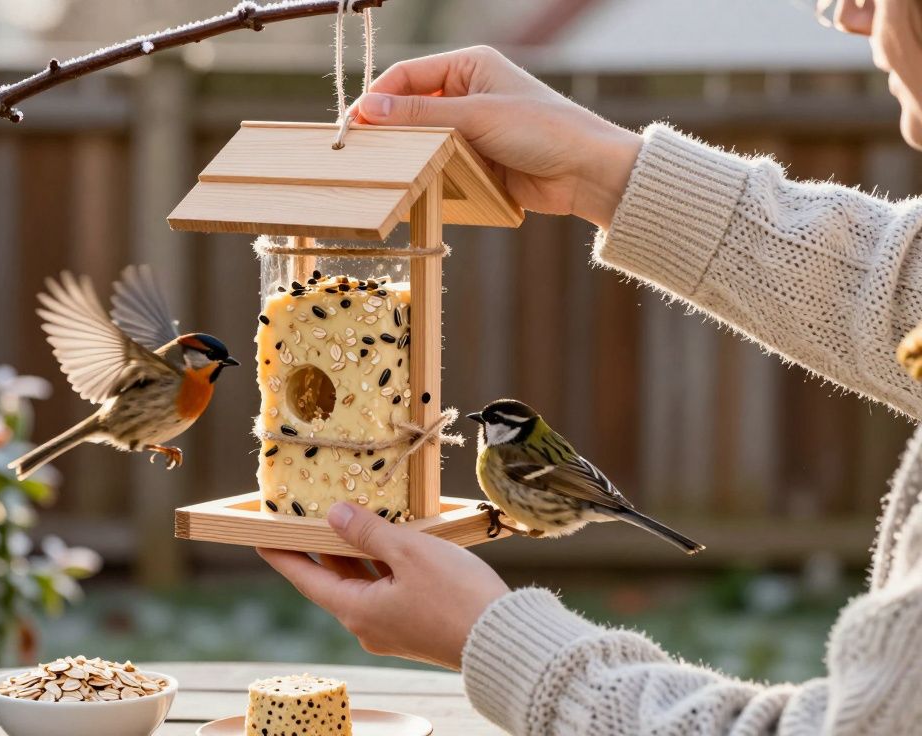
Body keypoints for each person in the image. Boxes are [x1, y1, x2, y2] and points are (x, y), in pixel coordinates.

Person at [257, 0, 922, 732]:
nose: (845, 16)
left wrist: (493, 641)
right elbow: (891, 286)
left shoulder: (510, 464)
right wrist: (605, 170)